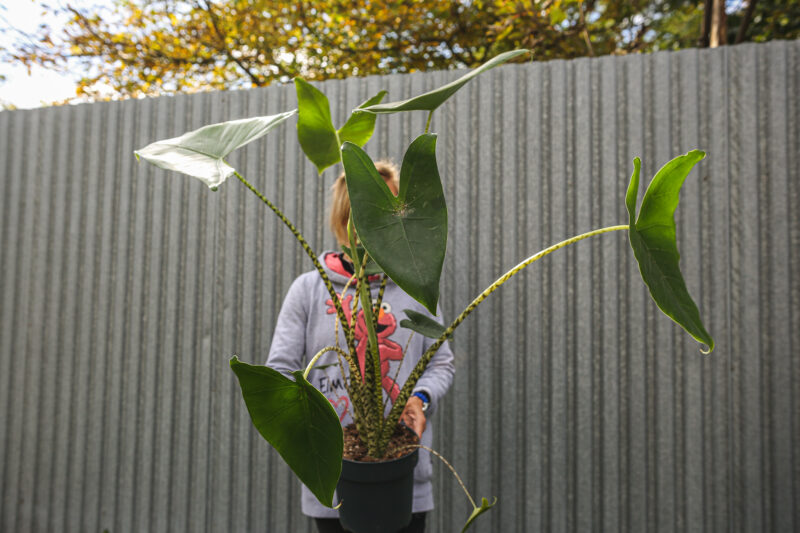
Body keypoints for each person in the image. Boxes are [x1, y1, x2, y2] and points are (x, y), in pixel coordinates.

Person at [267, 160, 455, 533]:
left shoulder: (415, 286)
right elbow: (281, 370)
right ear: (345, 216)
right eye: (366, 210)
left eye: (388, 211)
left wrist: (421, 399)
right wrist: (313, 423)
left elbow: (441, 362)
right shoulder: (309, 288)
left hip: (404, 478)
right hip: (334, 477)